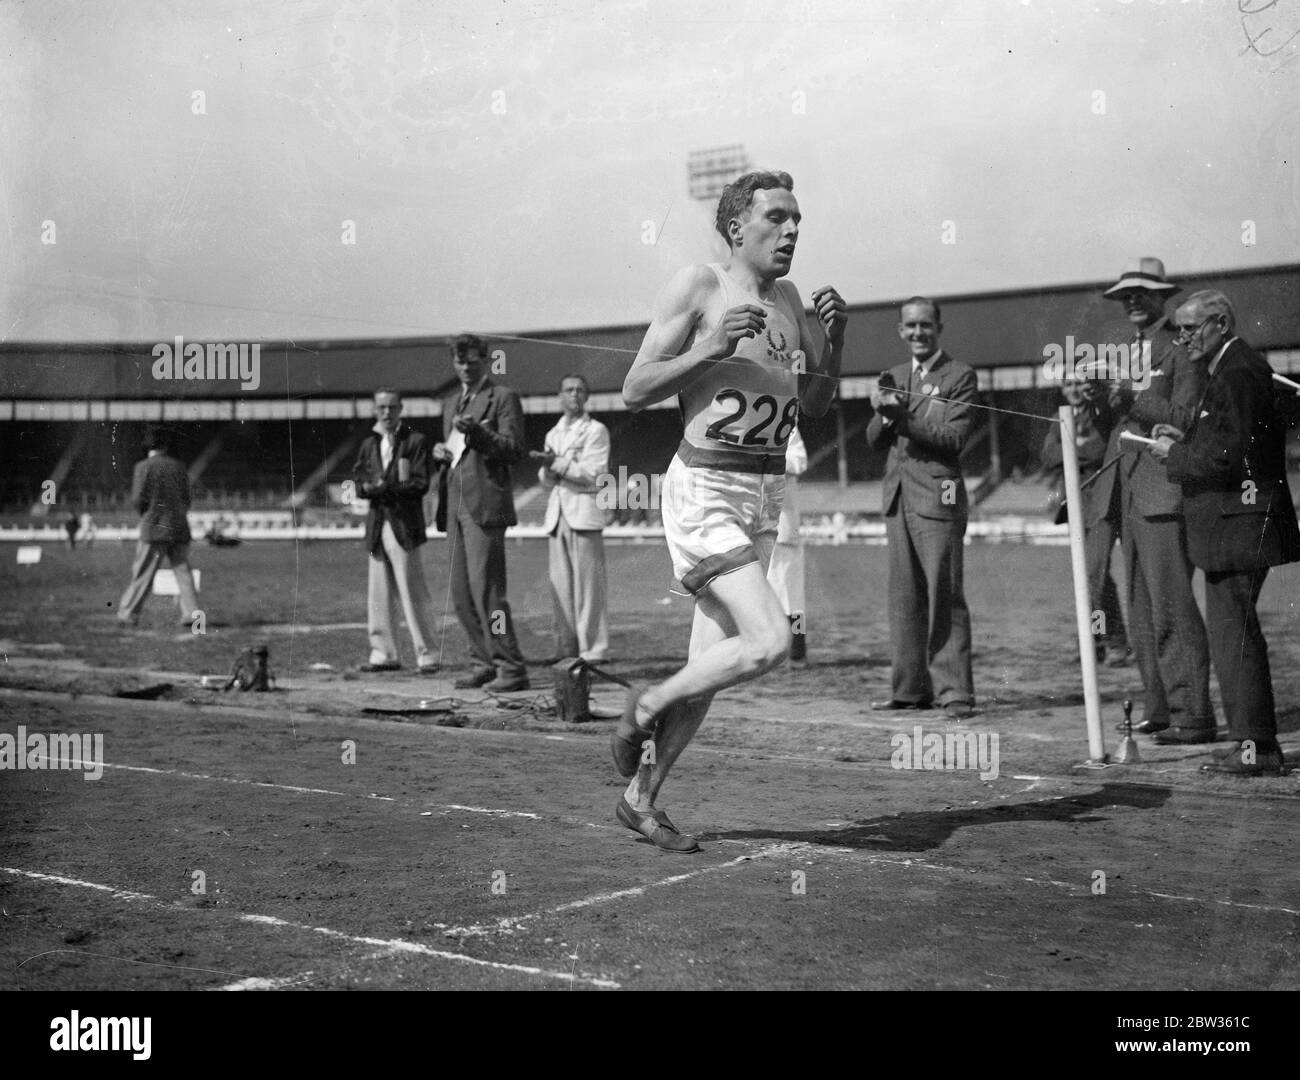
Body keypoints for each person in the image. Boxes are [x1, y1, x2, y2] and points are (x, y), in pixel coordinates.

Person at [614, 170, 846, 853]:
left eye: (798, 220)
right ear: (737, 227)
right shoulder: (700, 286)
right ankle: (646, 705)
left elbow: (818, 406)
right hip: (707, 489)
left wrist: (841, 338)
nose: (793, 231)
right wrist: (711, 347)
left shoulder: (793, 300)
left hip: (765, 494)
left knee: (712, 668)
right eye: (777, 218)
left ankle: (639, 801)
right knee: (771, 641)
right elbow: (633, 389)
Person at [1150, 290, 1300, 775]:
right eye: (1178, 329)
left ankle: (1255, 747)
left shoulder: (1237, 371)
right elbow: (1226, 444)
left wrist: (1173, 457)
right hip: (1237, 526)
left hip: (1239, 528)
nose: (1183, 337)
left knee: (1233, 634)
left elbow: (1228, 458)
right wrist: (1187, 440)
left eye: (1191, 328)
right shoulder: (1235, 368)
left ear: (1220, 323)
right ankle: (1253, 744)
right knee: (1235, 632)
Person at [1093, 258, 1213, 743]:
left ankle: (1194, 715)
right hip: (1125, 489)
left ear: (1162, 296)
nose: (1133, 301)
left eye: (1143, 293)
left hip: (1163, 490)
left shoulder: (1182, 348)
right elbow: (1118, 425)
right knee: (1140, 609)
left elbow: (1184, 416)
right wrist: (1099, 398)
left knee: (1172, 606)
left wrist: (1130, 396)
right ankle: (1159, 707)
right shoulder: (1125, 350)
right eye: (1126, 296)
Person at [866, 297, 977, 718]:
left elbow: (952, 439)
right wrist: (883, 414)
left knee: (944, 595)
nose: (918, 333)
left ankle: (955, 692)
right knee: (904, 599)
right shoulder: (892, 375)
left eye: (925, 325)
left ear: (938, 327)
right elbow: (874, 440)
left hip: (938, 497)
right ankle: (910, 690)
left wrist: (903, 416)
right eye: (910, 326)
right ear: (900, 330)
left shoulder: (960, 375)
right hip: (897, 498)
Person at [434, 334, 530, 692]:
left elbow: (514, 449)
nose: (466, 366)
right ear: (453, 363)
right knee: (460, 595)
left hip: (485, 504)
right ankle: (483, 662)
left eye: (473, 360)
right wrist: (441, 455)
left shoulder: (503, 398)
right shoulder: (450, 402)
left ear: (485, 361)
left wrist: (477, 435)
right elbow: (455, 452)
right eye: (460, 361)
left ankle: (512, 667)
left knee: (489, 594)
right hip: (454, 503)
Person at [1040, 375, 1129, 666]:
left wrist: (1070, 449)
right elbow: (1048, 455)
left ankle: (1108, 641)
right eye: (1068, 385)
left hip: (1102, 504)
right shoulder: (1059, 418)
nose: (1074, 390)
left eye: (1080, 383)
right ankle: (1102, 642)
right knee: (1093, 577)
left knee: (1093, 574)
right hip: (1076, 507)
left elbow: (1100, 450)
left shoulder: (1102, 414)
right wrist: (1077, 448)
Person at [352, 388, 440, 674]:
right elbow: (358, 477)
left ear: (401, 409)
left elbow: (420, 483)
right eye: (381, 408)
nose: (386, 413)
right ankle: (383, 653)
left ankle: (427, 654)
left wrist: (384, 487)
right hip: (378, 525)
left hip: (404, 525)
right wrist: (365, 488)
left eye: (392, 407)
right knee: (378, 595)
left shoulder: (415, 442)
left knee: (413, 592)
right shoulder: (369, 444)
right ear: (375, 411)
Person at [531, 374, 612, 663]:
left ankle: (593, 649)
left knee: (589, 588)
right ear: (560, 396)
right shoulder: (553, 434)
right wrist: (549, 468)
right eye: (568, 390)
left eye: (579, 390)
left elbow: (594, 473)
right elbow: (546, 482)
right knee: (561, 586)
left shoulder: (596, 430)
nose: (574, 395)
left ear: (586, 397)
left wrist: (556, 463)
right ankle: (567, 647)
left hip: (584, 514)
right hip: (558, 514)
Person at [117, 425, 201, 628]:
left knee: (143, 573)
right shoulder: (179, 467)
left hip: (153, 528)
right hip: (179, 527)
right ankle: (192, 614)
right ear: (166, 445)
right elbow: (187, 499)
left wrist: (147, 515)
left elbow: (138, 499)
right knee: (183, 573)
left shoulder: (142, 467)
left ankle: (128, 613)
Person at [766, 423, 809, 661]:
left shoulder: (787, 427)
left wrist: (769, 462)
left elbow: (800, 461)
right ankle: (768, 647)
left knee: (792, 595)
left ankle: (797, 648)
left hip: (783, 524)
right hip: (755, 523)